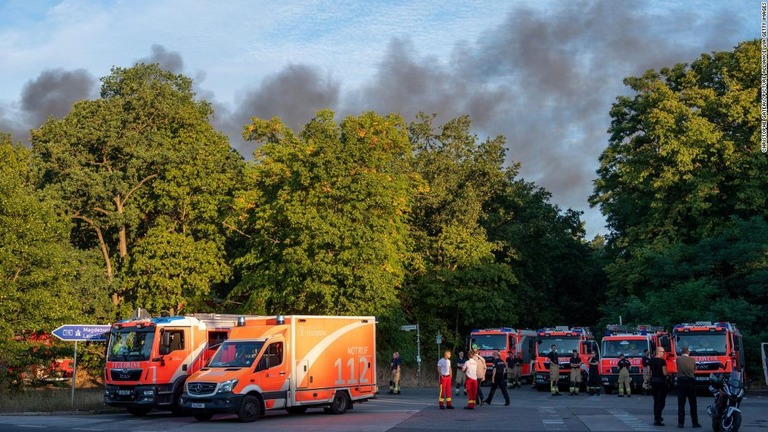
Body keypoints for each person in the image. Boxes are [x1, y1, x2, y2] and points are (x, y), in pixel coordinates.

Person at [676, 346, 701, 428]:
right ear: (688, 352)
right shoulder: (692, 360)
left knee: (681, 404)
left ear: (681, 352)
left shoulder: (678, 359)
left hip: (681, 382)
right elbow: (695, 370)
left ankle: (681, 423)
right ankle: (695, 422)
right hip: (690, 381)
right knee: (693, 404)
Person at [650, 346, 669, 426]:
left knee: (656, 400)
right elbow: (664, 372)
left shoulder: (651, 360)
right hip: (661, 382)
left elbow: (649, 372)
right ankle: (658, 418)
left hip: (653, 381)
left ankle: (656, 416)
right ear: (659, 352)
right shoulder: (662, 361)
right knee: (661, 401)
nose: (664, 353)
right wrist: (668, 374)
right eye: (663, 352)